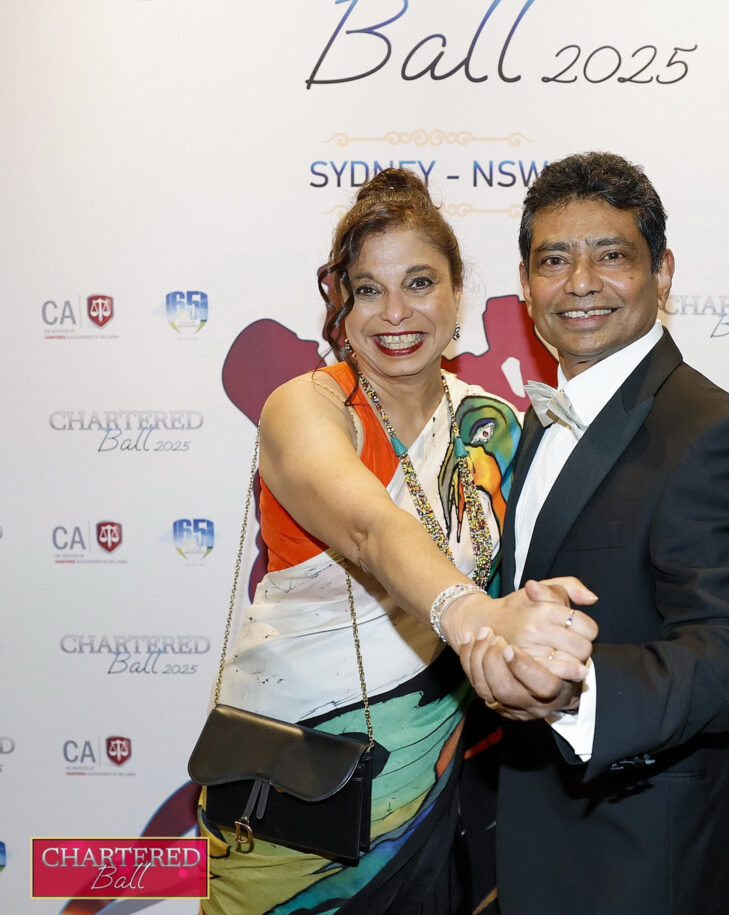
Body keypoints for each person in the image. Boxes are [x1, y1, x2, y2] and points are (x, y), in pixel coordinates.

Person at [197, 168, 597, 915]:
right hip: (291, 797)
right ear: (341, 306)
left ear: (456, 294)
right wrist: (470, 613)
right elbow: (369, 528)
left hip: (434, 790)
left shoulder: (492, 426)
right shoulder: (307, 407)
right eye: (368, 289)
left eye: (419, 282)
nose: (395, 313)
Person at [460, 152, 729, 914]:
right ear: (524, 285)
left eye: (611, 256)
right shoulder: (539, 422)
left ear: (662, 273)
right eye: (554, 260)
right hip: (533, 848)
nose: (580, 282)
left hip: (646, 864)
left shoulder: (712, 433)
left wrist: (574, 688)